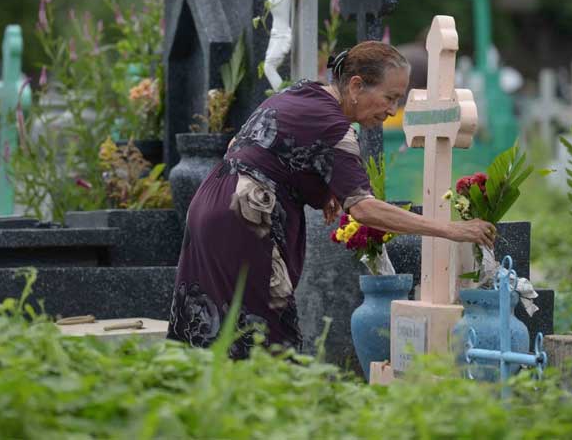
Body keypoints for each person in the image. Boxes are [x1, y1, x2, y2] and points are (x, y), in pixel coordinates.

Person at [167, 41, 497, 358]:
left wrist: (322, 190)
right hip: (245, 222)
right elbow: (364, 209)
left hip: (210, 205)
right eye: (390, 97)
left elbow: (242, 145)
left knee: (211, 335)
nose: (393, 110)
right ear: (356, 86)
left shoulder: (302, 91)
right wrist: (453, 229)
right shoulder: (337, 129)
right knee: (269, 347)